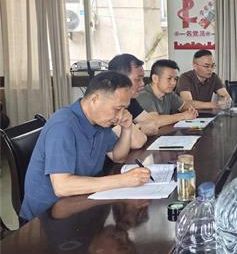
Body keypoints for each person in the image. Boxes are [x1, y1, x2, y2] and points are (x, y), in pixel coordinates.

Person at [20, 72, 152, 221]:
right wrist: (122, 180)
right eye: (117, 109)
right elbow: (62, 186)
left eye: (124, 109)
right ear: (95, 99)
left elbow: (118, 157)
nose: (121, 116)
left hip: (80, 201)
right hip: (46, 217)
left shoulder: (100, 122)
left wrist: (127, 129)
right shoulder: (63, 125)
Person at [108, 53, 159, 137]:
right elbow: (134, 141)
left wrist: (136, 128)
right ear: (120, 79)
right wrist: (138, 128)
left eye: (142, 79)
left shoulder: (130, 99)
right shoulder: (107, 104)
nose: (143, 84)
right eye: (138, 79)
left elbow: (153, 125)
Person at [137, 59, 198, 126]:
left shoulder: (169, 93)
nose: (173, 83)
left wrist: (191, 110)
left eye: (175, 79)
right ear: (155, 78)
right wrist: (183, 116)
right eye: (169, 78)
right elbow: (154, 120)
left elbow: (183, 106)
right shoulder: (143, 95)